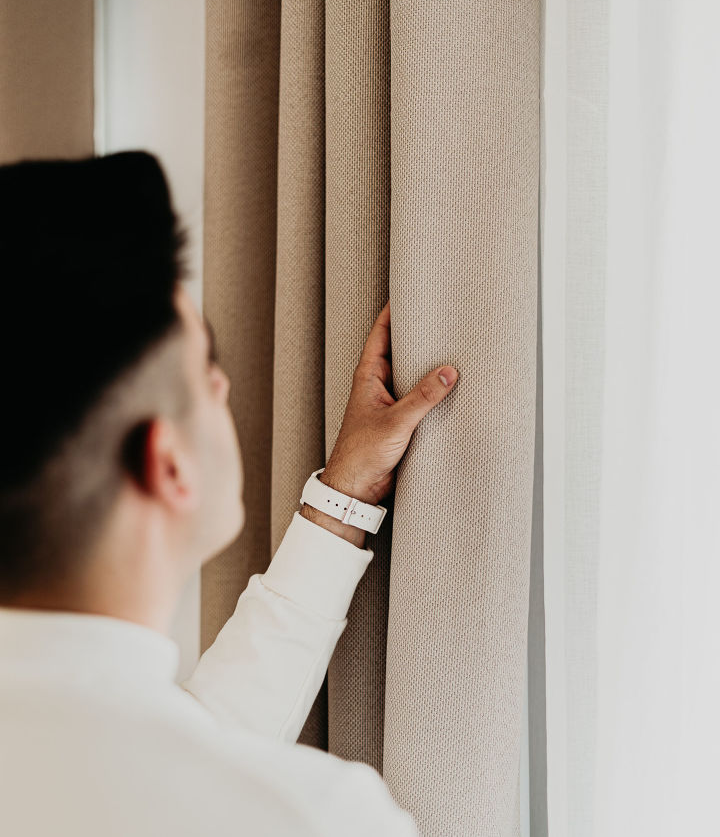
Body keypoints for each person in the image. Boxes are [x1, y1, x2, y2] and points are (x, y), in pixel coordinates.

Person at [0, 150, 459, 836]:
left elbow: (184, 745)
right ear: (168, 465)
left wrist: (345, 496)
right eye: (205, 365)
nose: (222, 384)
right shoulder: (314, 819)